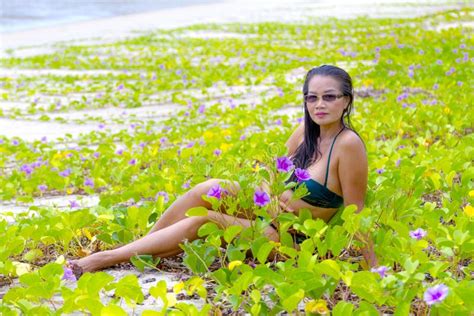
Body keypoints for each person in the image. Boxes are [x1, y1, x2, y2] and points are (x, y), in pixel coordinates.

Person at [69, 65, 376, 276]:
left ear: (346, 100)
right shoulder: (303, 132)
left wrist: (372, 268)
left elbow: (355, 213)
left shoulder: (348, 146)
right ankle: (142, 247)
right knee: (212, 186)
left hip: (290, 239)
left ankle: (104, 259)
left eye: (329, 97)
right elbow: (274, 174)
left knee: (203, 221)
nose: (319, 104)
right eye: (312, 97)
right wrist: (269, 194)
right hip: (268, 213)